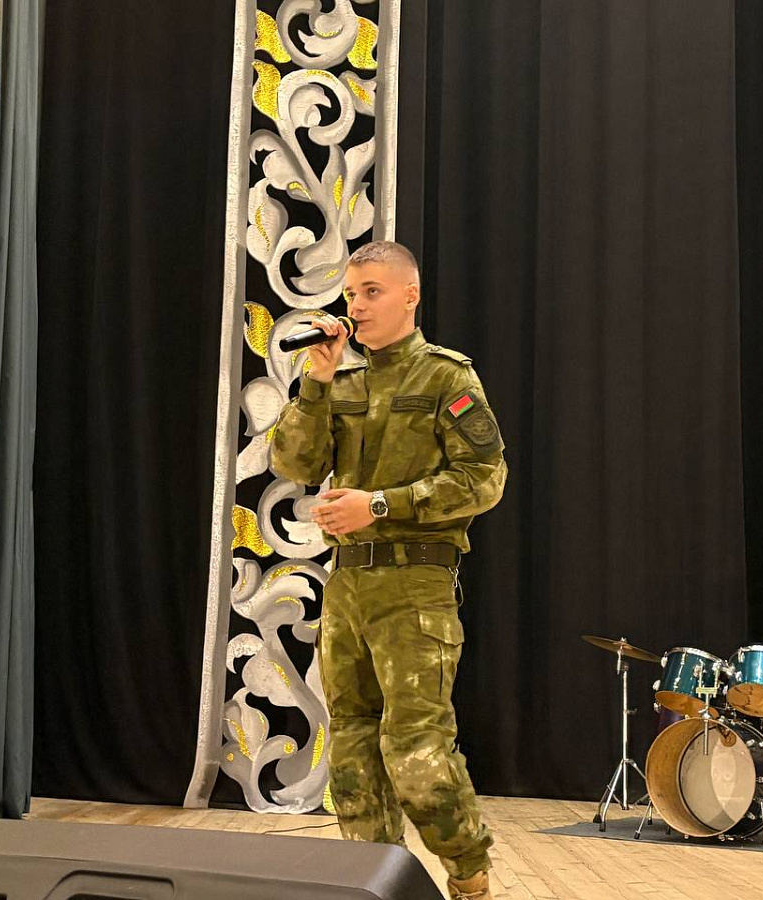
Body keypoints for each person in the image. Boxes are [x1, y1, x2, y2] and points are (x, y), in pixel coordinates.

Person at [270, 240, 506, 900]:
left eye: (372, 291)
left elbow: (484, 479)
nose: (357, 305)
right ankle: (375, 883)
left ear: (410, 295)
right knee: (351, 752)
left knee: (416, 752)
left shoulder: (446, 378)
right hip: (347, 587)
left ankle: (469, 878)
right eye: (351, 293)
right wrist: (316, 382)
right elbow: (293, 463)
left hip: (414, 586)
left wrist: (379, 505)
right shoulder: (340, 383)